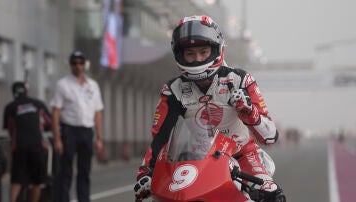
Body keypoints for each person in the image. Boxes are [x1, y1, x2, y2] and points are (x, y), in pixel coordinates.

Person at [134, 15, 286, 201]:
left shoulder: (241, 80)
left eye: (203, 52)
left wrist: (249, 113)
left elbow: (270, 137)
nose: (197, 59)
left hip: (241, 155)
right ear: (180, 55)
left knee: (272, 194)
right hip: (194, 160)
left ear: (216, 49)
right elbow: (160, 138)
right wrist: (145, 172)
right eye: (190, 54)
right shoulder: (172, 89)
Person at [50, 51, 104, 202]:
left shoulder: (92, 85)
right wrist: (57, 139)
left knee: (84, 171)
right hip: (69, 130)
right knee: (65, 171)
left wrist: (99, 138)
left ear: (84, 64)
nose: (78, 66)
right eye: (74, 63)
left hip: (87, 131)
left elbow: (98, 112)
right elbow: (55, 113)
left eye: (80, 63)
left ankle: (84, 199)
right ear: (70, 65)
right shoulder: (63, 84)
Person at [3, 81, 52, 202]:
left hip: (19, 147)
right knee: (37, 181)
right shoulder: (38, 104)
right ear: (27, 91)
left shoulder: (10, 107)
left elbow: (10, 129)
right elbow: (49, 122)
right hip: (37, 145)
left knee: (16, 180)